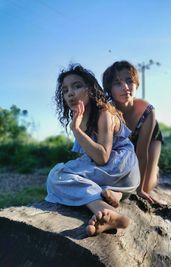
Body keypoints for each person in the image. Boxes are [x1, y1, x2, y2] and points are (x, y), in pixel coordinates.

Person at [45, 63, 140, 236]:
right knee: (69, 171)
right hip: (120, 176)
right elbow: (88, 156)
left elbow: (102, 157)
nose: (70, 93)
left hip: (119, 166)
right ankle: (111, 205)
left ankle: (102, 208)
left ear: (90, 89)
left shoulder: (104, 114)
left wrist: (76, 130)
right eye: (65, 91)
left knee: (56, 175)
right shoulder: (81, 118)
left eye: (77, 86)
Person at [102, 60, 164, 204]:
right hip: (125, 146)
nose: (125, 87)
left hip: (150, 137)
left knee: (146, 186)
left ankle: (155, 170)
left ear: (136, 83)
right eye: (117, 83)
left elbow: (142, 154)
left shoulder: (147, 110)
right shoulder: (108, 112)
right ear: (110, 89)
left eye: (129, 81)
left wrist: (140, 190)